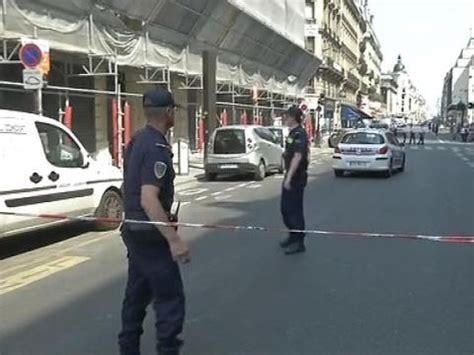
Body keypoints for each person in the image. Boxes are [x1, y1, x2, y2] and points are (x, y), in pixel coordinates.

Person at [118, 89, 190, 355]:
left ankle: (128, 348)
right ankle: (168, 349)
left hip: (133, 229)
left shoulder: (136, 140)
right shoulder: (157, 147)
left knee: (136, 293)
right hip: (151, 234)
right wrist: (174, 240)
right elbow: (150, 199)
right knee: (170, 297)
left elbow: (130, 187)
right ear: (169, 113)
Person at [279, 105, 309, 255]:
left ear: (292, 118)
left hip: (296, 177)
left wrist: (289, 178)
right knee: (285, 209)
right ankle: (292, 235)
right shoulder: (292, 133)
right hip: (290, 175)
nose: (285, 118)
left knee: (295, 210)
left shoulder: (300, 134)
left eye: (287, 116)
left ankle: (299, 242)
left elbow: (298, 156)